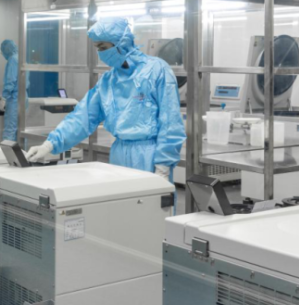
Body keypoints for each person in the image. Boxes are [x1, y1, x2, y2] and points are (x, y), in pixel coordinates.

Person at [25, 18, 186, 182]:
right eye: (98, 48)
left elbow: (170, 121)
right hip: (118, 154)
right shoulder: (108, 80)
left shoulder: (157, 70)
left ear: (121, 44)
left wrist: (163, 167)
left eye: (103, 47)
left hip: (149, 156)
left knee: (149, 198)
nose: (100, 53)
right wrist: (49, 145)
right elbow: (82, 118)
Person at [1, 39, 20, 143]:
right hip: (23, 97)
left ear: (6, 50)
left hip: (14, 98)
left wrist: (4, 97)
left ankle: (7, 152)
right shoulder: (21, 59)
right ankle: (22, 152)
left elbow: (10, 81)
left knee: (10, 130)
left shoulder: (12, 60)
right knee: (21, 130)